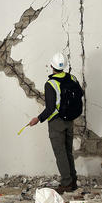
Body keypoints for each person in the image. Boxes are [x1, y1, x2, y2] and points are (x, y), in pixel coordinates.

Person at [29, 53, 81, 194]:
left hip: (56, 122)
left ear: (51, 66)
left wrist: (38, 119)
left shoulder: (50, 83)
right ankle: (73, 180)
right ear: (64, 66)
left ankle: (66, 183)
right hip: (70, 120)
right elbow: (79, 94)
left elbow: (50, 108)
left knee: (60, 153)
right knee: (68, 151)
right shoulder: (72, 78)